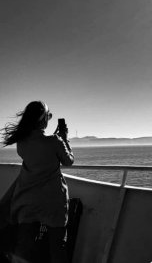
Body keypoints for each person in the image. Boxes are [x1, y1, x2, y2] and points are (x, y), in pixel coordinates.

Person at [0, 101, 74, 263]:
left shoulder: (22, 143)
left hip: (27, 200)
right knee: (57, 246)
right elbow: (68, 161)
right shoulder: (55, 141)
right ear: (42, 119)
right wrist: (64, 139)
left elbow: (38, 155)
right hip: (53, 201)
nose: (49, 118)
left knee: (24, 247)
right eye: (48, 115)